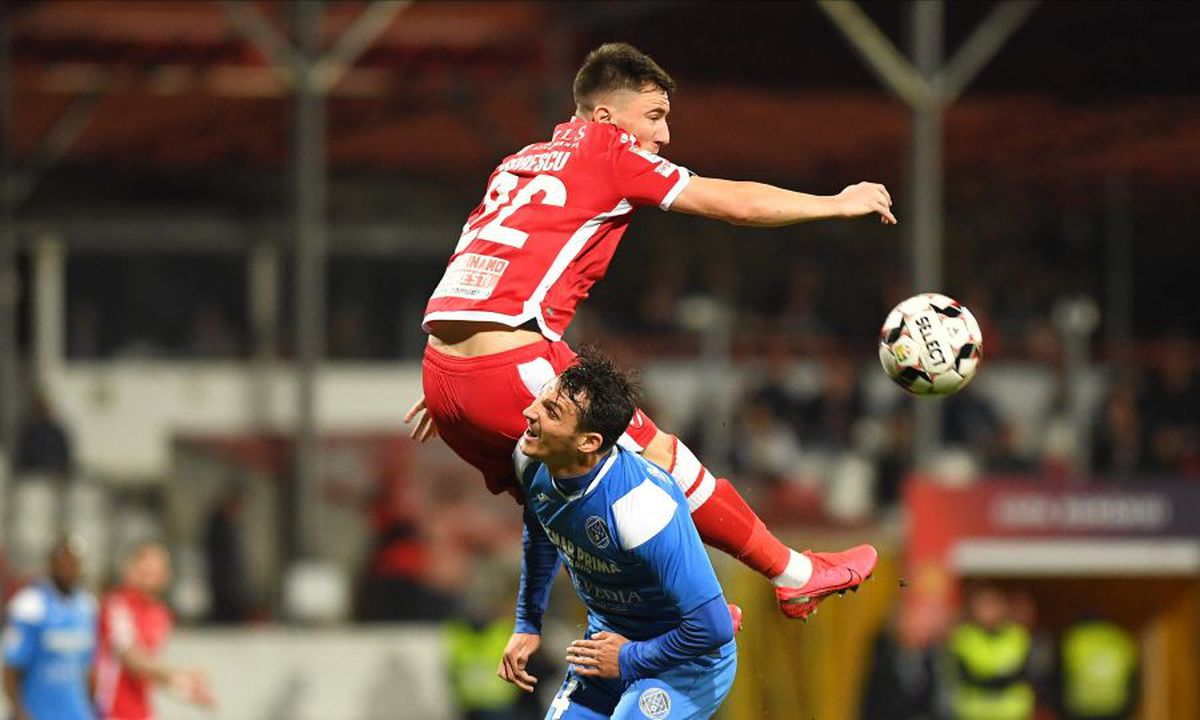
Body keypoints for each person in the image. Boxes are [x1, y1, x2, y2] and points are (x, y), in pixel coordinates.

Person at [406, 41, 886, 620]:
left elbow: (481, 252)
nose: (663, 137)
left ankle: (657, 613)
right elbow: (733, 203)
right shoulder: (608, 151)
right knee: (660, 458)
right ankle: (793, 574)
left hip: (445, 375)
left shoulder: (520, 160)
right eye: (654, 117)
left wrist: (460, 376)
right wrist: (835, 203)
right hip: (511, 366)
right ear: (607, 116)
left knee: (565, 500)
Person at [497, 351, 747, 718]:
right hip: (605, 650)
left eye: (551, 412)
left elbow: (713, 627)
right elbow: (541, 529)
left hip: (684, 662)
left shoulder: (640, 507)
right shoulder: (530, 459)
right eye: (541, 400)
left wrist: (630, 657)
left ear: (588, 442)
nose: (530, 413)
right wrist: (528, 622)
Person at [94, 542, 214, 720]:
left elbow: (150, 671)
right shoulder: (117, 605)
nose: (150, 573)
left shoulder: (161, 615)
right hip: (113, 711)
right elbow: (133, 661)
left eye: (156, 568)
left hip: (143, 712)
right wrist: (180, 673)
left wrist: (185, 689)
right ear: (130, 570)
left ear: (165, 575)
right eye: (144, 566)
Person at [2, 536, 97, 720]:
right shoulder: (30, 605)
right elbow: (11, 668)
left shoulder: (87, 606)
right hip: (38, 712)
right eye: (63, 562)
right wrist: (19, 712)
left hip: (76, 713)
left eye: (73, 563)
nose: (68, 569)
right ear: (51, 564)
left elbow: (88, 667)